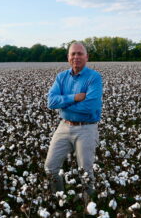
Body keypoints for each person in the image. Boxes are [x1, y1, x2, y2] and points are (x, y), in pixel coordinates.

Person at [44, 42, 103, 196]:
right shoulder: (61, 77)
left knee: (85, 172)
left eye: (80, 53)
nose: (76, 57)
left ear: (86, 57)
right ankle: (60, 200)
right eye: (73, 54)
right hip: (64, 126)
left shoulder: (94, 78)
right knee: (50, 168)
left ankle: (89, 208)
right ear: (68, 57)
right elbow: (51, 102)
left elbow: (89, 107)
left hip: (87, 128)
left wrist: (63, 103)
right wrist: (75, 97)